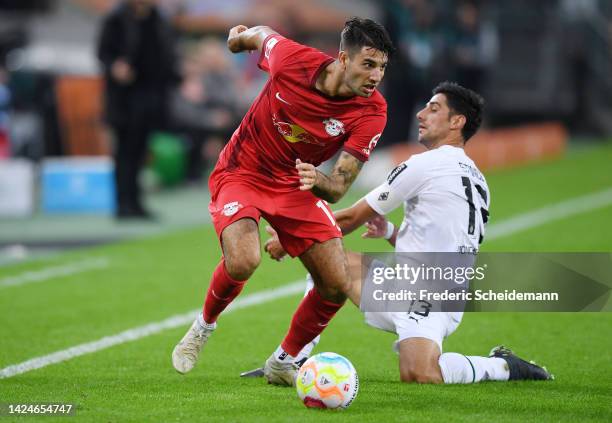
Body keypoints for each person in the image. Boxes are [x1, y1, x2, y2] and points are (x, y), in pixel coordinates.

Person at [248, 82, 552, 384]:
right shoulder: (477, 179)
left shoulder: (427, 164)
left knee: (421, 374)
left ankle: (502, 367)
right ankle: (292, 358)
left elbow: (353, 216)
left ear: (457, 122)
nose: (421, 114)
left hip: (429, 295)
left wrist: (290, 239)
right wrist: (392, 231)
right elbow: (444, 239)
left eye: (434, 109)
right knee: (326, 263)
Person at [171, 18, 395, 386]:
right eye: (368, 64)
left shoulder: (373, 111)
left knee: (337, 284)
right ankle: (203, 327)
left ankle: (283, 361)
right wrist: (237, 40)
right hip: (243, 171)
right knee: (244, 260)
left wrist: (318, 181)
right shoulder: (293, 60)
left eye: (382, 67)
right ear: (342, 59)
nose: (376, 76)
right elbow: (263, 35)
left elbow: (338, 186)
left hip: (299, 184)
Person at [97, 0, 179, 219]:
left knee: (141, 151)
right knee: (124, 152)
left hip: (150, 96)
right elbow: (103, 53)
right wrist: (115, 67)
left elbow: (167, 55)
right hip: (124, 98)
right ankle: (123, 204)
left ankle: (136, 202)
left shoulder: (159, 19)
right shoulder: (116, 19)